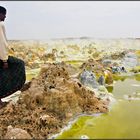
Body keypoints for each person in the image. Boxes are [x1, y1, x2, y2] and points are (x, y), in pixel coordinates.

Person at [0, 6, 26, 108]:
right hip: (1, 57)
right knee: (19, 64)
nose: (5, 16)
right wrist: (5, 60)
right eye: (3, 13)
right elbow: (1, 44)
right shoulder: (1, 24)